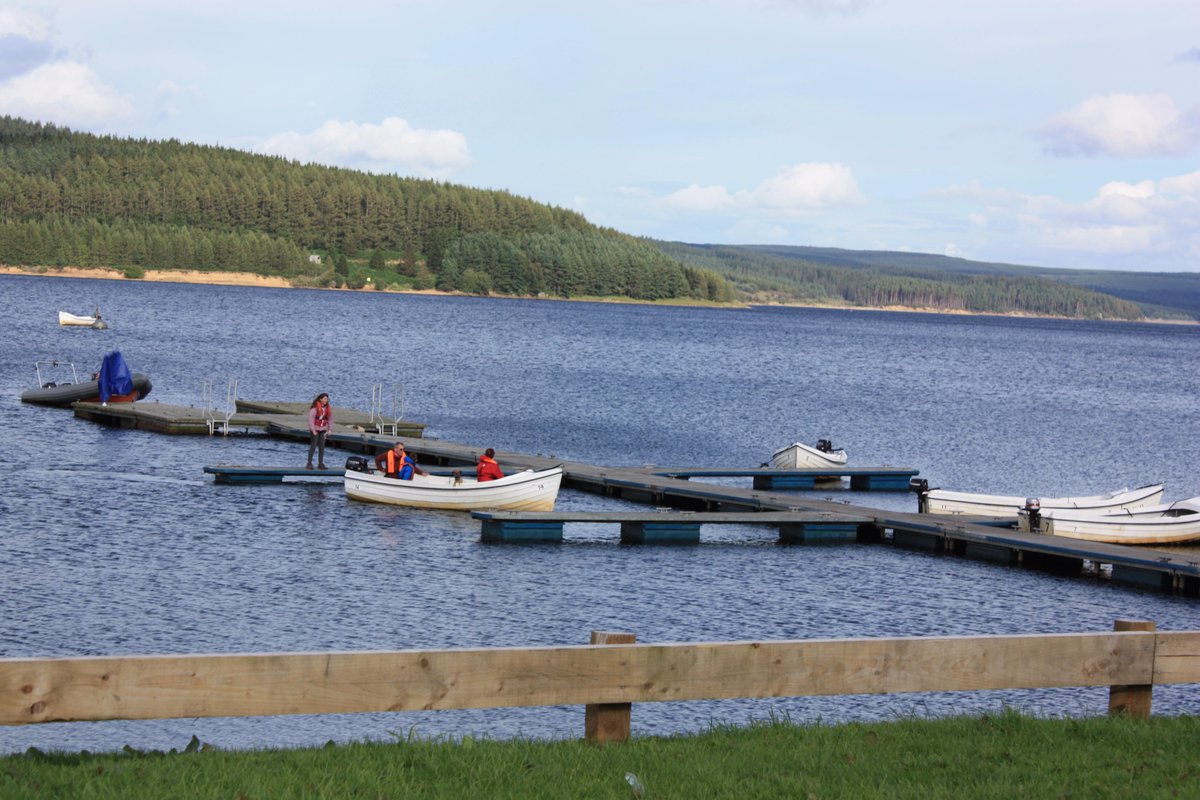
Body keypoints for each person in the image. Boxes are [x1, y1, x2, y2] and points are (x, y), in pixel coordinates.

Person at [306, 393, 333, 469]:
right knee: (313, 446)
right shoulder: (314, 409)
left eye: (327, 399)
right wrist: (313, 430)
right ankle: (309, 463)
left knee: (322, 447)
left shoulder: (328, 408)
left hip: (323, 429)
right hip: (315, 429)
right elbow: (311, 420)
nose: (326, 400)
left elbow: (330, 419)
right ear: (320, 399)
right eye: (324, 399)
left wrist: (330, 429)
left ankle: (320, 463)